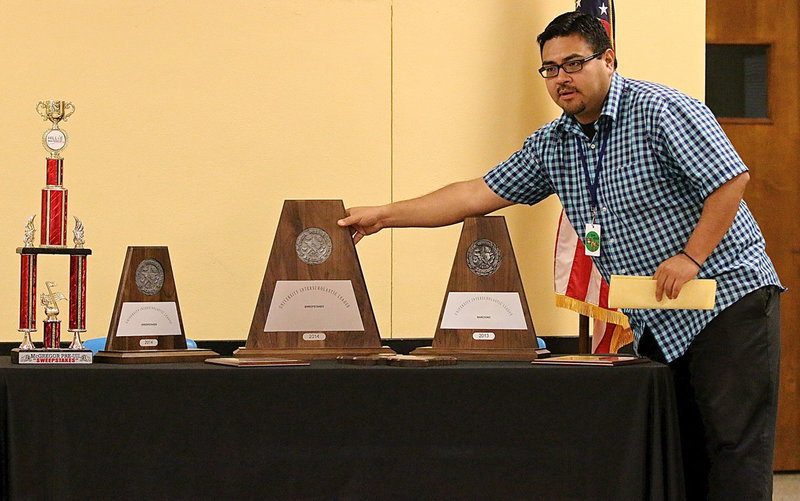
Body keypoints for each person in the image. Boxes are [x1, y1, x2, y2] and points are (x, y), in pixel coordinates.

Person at [338, 11, 784, 499]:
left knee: (734, 445)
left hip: (726, 299)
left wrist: (691, 257)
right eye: (550, 69)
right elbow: (473, 194)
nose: (561, 78)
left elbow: (729, 179)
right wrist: (386, 214)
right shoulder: (554, 143)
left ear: (608, 59)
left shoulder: (660, 109)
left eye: (573, 63)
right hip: (658, 311)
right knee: (679, 448)